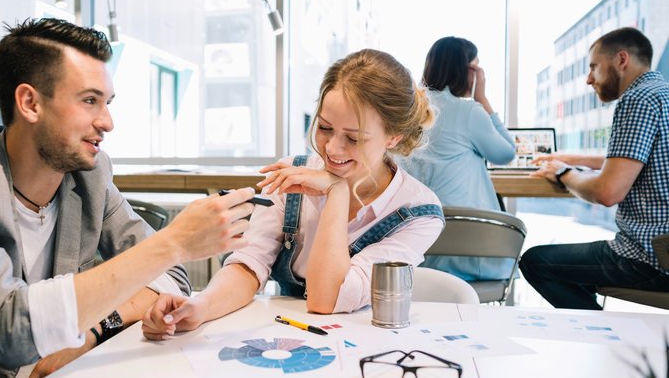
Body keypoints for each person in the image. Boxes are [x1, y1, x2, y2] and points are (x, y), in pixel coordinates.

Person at [0, 18, 257, 377]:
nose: (107, 122)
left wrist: (92, 330)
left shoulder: (90, 175)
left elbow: (171, 279)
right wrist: (173, 243)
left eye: (107, 102)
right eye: (90, 101)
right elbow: (6, 333)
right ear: (30, 103)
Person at [141, 48, 444, 340]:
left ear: (394, 136)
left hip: (367, 346)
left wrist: (336, 193)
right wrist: (202, 306)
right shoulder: (291, 174)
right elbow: (249, 264)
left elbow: (326, 299)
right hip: (291, 338)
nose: (332, 149)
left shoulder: (417, 212)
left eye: (353, 138)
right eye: (325, 128)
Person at [521, 27, 669, 310]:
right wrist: (569, 158)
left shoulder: (637, 99)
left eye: (593, 67)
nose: (589, 79)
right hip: (664, 250)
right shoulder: (662, 94)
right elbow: (632, 160)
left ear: (621, 60)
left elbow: (607, 192)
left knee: (536, 262)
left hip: (650, 257)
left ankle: (604, 339)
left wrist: (564, 174)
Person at [398, 36, 515, 281]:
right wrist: (482, 98)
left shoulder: (410, 111)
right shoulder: (469, 111)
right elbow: (506, 153)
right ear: (468, 72)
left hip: (418, 247)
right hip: (470, 251)